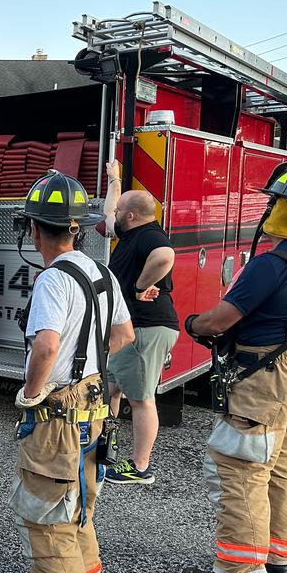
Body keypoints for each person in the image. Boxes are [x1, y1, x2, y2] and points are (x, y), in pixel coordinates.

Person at [181, 162, 287, 573]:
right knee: (284, 472)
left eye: (275, 201)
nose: (268, 208)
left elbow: (220, 320)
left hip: (266, 382)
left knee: (243, 473)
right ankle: (277, 563)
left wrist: (193, 324)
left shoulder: (272, 264)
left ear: (286, 207)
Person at [5, 171, 133, 573]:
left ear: (34, 228)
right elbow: (124, 334)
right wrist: (90, 366)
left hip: (59, 406)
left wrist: (32, 393)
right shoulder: (102, 272)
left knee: (46, 500)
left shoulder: (52, 281)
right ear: (77, 226)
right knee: (79, 493)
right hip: (94, 400)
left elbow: (46, 346)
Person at [99, 160, 178, 484]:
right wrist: (115, 179)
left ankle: (140, 467)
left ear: (131, 216)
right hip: (133, 330)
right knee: (113, 388)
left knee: (142, 399)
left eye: (121, 211)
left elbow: (165, 257)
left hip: (146, 327)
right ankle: (106, 447)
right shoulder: (131, 231)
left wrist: (139, 287)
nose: (115, 214)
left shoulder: (149, 236)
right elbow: (107, 215)